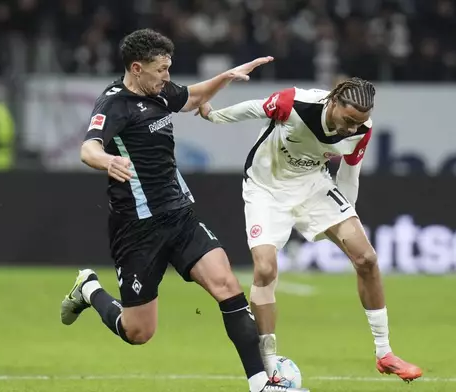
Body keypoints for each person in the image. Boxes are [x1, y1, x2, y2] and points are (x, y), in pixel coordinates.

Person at [60, 28, 307, 392]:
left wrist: (225, 78)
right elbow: (88, 148)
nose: (167, 77)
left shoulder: (159, 92)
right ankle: (90, 289)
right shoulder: (114, 104)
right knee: (138, 331)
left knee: (227, 286)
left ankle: (261, 384)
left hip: (180, 216)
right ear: (137, 68)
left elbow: (191, 98)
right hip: (138, 229)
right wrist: (106, 161)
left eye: (169, 68)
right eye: (161, 69)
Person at [196, 77, 423, 382]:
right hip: (267, 189)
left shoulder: (362, 131)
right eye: (349, 119)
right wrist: (213, 115)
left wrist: (346, 218)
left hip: (313, 188)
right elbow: (255, 108)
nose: (353, 127)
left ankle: (385, 353)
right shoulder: (296, 103)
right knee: (264, 269)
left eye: (360, 121)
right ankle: (269, 363)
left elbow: (348, 175)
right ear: (334, 102)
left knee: (366, 258)